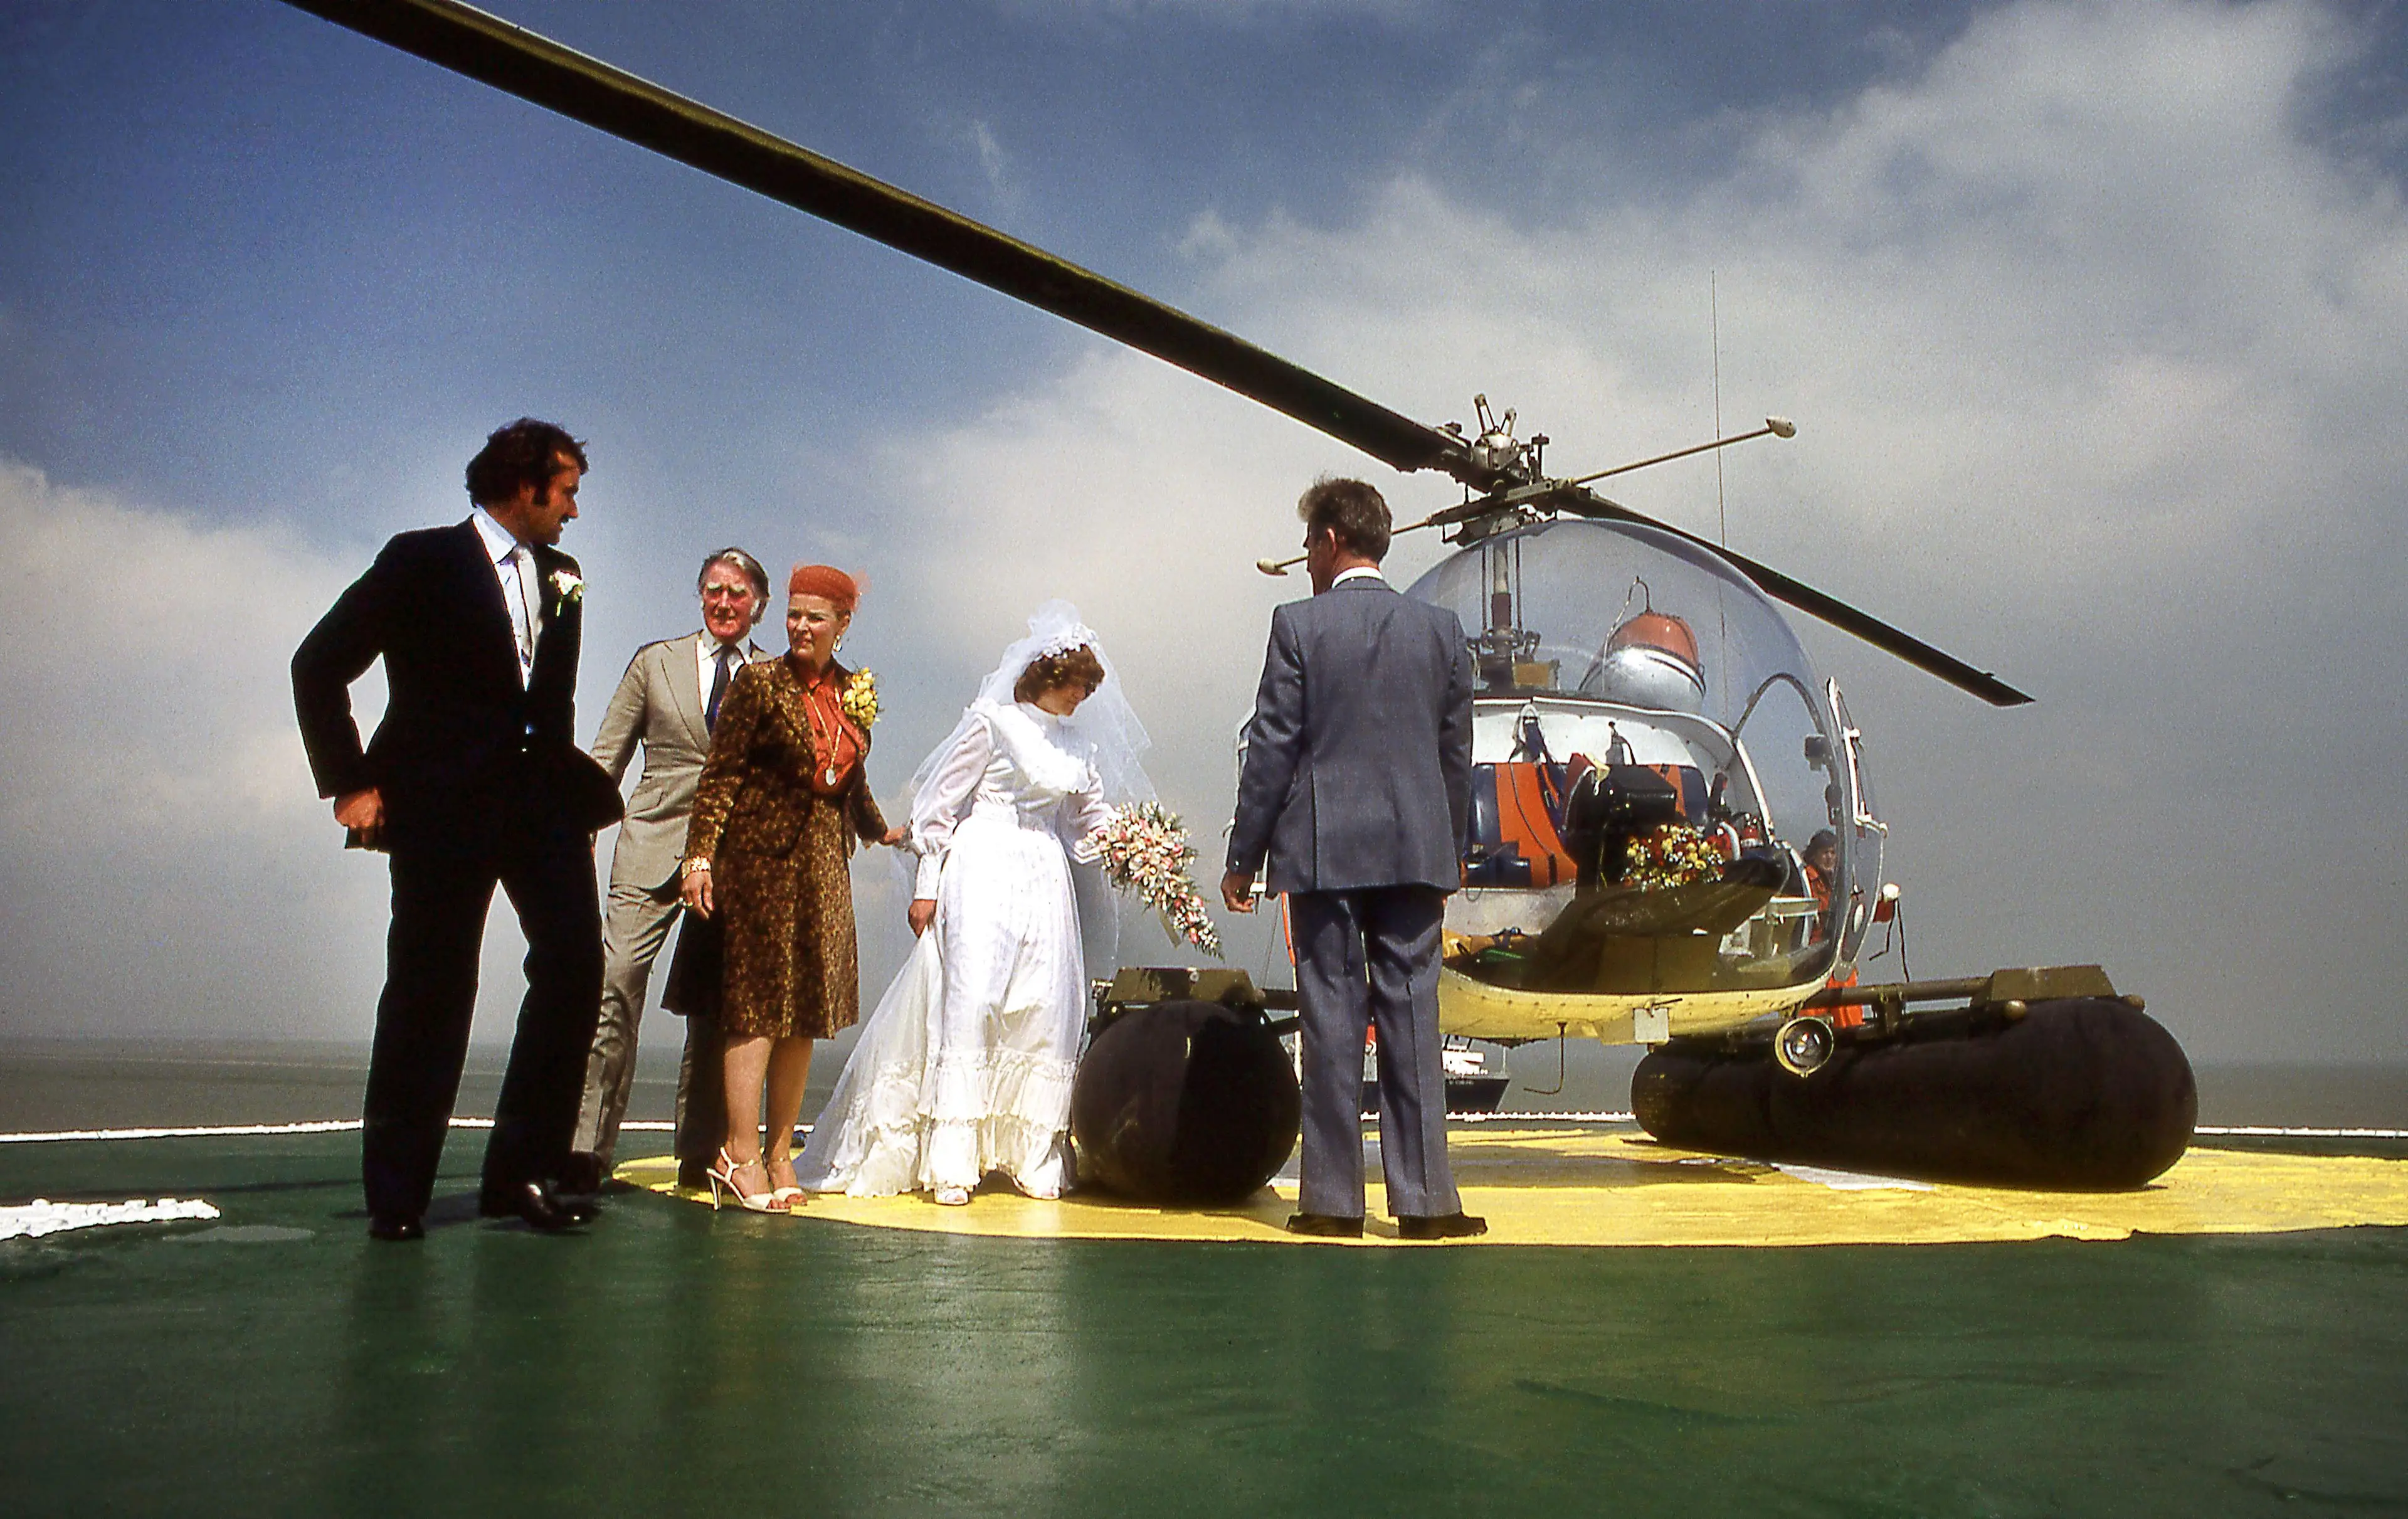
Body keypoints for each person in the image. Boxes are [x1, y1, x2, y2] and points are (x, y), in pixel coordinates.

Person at [292, 418, 623, 1241]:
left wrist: (570, 810)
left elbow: (554, 701)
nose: (574, 511)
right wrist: (351, 782)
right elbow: (319, 662)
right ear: (526, 483)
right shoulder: (421, 560)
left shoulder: (565, 576)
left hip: (539, 806)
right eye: (569, 490)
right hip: (439, 803)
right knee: (431, 988)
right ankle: (398, 1195)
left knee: (578, 967)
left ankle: (521, 1173)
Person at [798, 601, 1149, 1205]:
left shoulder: (1078, 747)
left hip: (1043, 874)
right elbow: (938, 808)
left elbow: (1089, 823)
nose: (1082, 700)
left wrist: (1137, 848)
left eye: (1089, 690)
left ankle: (1030, 1153)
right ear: (1048, 676)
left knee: (1043, 1003)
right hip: (983, 863)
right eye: (1077, 687)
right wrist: (927, 884)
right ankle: (952, 1158)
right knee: (974, 997)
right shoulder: (991, 722)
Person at [1221, 477, 1486, 1241]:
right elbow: (1454, 755)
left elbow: (1273, 747)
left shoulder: (1298, 625)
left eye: (1308, 543)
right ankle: (1429, 1204)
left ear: (1333, 540)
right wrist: (1453, 853)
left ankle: (1333, 1201)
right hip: (1414, 851)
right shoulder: (1439, 630)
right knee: (1412, 1014)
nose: (1305, 557)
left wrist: (1245, 856)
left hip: (1323, 850)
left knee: (1332, 1016)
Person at [679, 565, 903, 1212]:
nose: (802, 627)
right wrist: (699, 856)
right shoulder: (758, 682)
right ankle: (736, 1152)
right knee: (755, 1011)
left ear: (843, 624)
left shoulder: (853, 691)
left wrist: (881, 830)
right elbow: (720, 775)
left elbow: (848, 776)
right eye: (795, 614)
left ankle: (780, 1153)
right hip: (759, 866)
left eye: (817, 617)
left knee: (805, 1012)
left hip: (823, 871)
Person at [566, 548, 773, 1195]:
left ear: (759, 604)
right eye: (713, 589)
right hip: (650, 846)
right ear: (700, 595)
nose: (724, 602)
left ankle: (701, 1147)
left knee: (716, 1007)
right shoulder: (653, 663)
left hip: (736, 862)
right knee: (615, 985)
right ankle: (584, 1150)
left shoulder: (775, 676)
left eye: (738, 593)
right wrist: (580, 830)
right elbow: (607, 757)